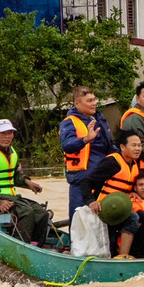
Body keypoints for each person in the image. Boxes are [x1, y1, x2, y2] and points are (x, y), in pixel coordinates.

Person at [0, 119, 50, 244]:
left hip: (12, 198)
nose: (7, 137)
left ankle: (37, 245)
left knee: (41, 213)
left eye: (9, 133)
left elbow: (14, 176)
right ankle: (21, 246)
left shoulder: (12, 152)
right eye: (3, 133)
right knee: (27, 213)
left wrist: (27, 182)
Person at [59, 85, 115, 218]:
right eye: (89, 101)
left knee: (102, 219)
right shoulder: (69, 122)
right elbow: (67, 145)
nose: (94, 103)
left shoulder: (99, 119)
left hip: (102, 178)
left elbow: (110, 145)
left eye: (94, 100)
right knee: (80, 219)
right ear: (77, 104)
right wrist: (85, 139)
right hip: (82, 179)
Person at [83, 131, 142, 212]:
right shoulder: (112, 162)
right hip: (104, 207)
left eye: (139, 145)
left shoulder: (135, 164)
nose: (137, 149)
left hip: (120, 205)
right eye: (134, 145)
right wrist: (91, 201)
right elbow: (86, 182)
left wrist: (132, 192)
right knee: (134, 218)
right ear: (122, 147)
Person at [94, 191, 139, 259]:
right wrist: (90, 200)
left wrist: (133, 191)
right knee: (109, 237)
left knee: (133, 217)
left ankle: (122, 257)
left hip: (120, 208)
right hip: (103, 209)